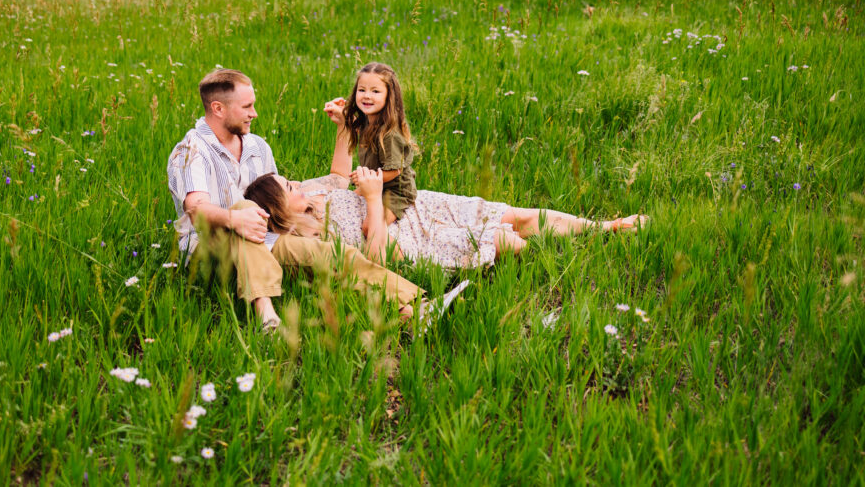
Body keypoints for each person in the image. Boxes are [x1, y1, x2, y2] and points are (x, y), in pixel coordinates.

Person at [166, 69, 451, 332]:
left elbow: (276, 197)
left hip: (265, 236)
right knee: (244, 208)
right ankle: (265, 312)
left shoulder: (255, 145)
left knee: (337, 254)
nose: (254, 113)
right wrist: (234, 219)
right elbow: (196, 209)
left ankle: (415, 307)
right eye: (247, 107)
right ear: (218, 108)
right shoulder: (192, 151)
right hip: (214, 240)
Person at [244, 97, 649, 270]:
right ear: (281, 210)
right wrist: (369, 198)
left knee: (513, 214)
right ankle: (564, 266)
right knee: (507, 241)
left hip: (418, 207)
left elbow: (336, 176)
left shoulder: (315, 195)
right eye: (289, 187)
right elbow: (377, 258)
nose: (297, 183)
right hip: (412, 238)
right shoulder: (314, 238)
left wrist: (341, 129)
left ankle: (604, 229)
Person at [343, 63, 417, 226]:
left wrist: (365, 178)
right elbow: (352, 126)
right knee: (343, 204)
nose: (367, 96)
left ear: (389, 96)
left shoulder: (390, 134)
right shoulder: (366, 121)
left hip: (395, 191)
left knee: (371, 227)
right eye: (362, 90)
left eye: (375, 91)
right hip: (374, 184)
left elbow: (394, 171)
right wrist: (340, 111)